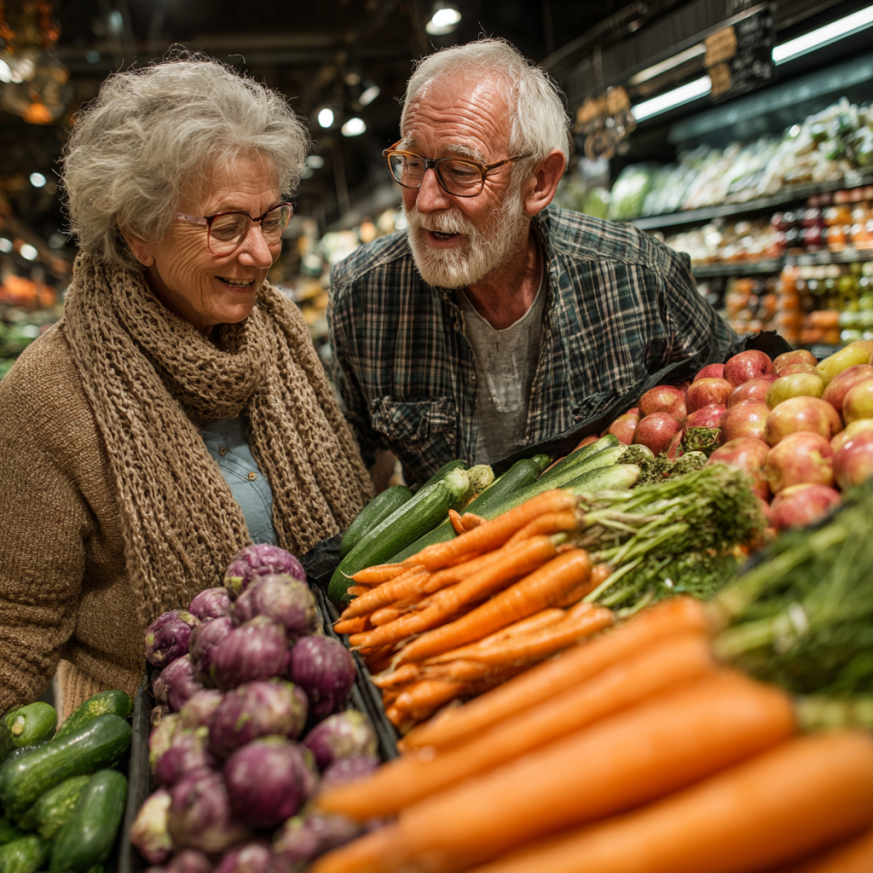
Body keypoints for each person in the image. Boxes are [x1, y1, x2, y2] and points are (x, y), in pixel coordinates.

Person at [0, 56, 374, 716]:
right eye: (226, 225)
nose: (259, 253)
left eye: (270, 218)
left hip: (338, 698)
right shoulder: (46, 394)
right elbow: (16, 631)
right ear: (138, 232)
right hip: (170, 740)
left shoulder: (279, 327)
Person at [329, 38, 737, 486]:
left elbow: (741, 392)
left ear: (539, 181)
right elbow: (356, 466)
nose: (424, 200)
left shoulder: (638, 276)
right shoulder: (364, 295)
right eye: (411, 163)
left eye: (462, 171)